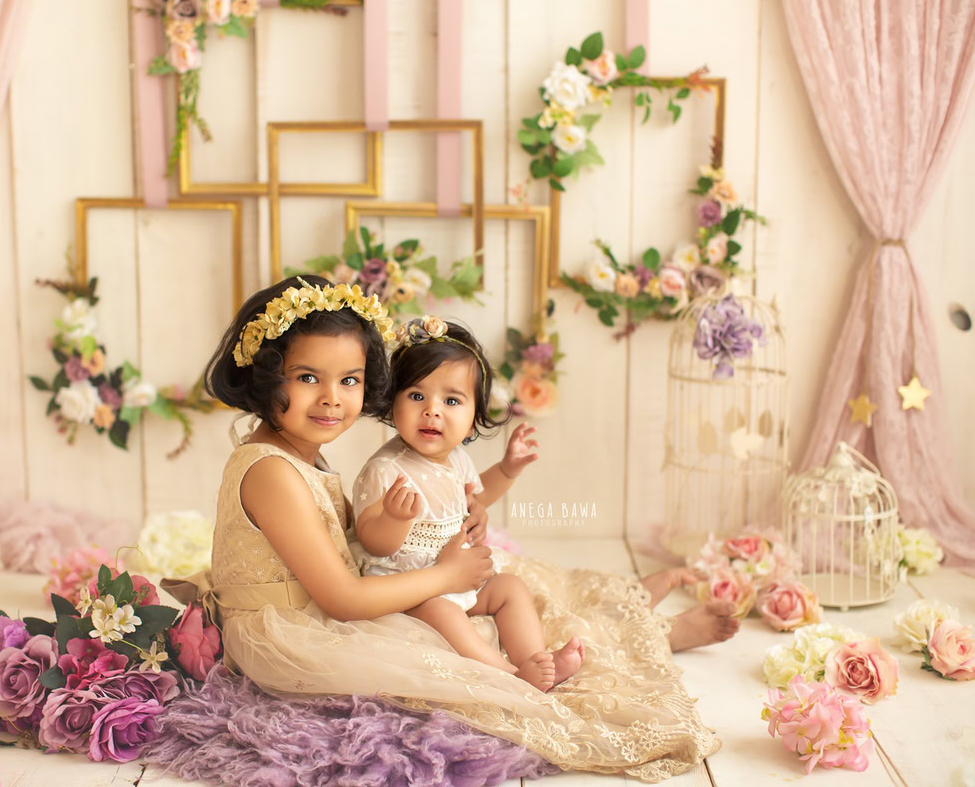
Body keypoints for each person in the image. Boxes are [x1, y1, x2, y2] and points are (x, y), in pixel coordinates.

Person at [187, 274, 739, 780]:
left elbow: (350, 542)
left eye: (349, 380)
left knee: (523, 586)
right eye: (308, 377)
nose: (332, 397)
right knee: (451, 639)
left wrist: (457, 527)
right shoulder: (272, 472)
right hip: (301, 629)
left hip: (342, 596)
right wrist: (445, 575)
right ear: (264, 377)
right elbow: (344, 598)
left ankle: (642, 619)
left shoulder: (300, 455)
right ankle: (549, 665)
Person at [351, 315, 583, 691]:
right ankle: (509, 676)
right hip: (407, 591)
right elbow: (372, 541)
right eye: (416, 396)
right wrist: (393, 519)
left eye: (451, 400)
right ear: (392, 405)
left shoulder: (457, 459)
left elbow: (476, 499)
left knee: (510, 588)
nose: (432, 410)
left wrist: (507, 469)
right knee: (443, 613)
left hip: (457, 579)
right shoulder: (386, 470)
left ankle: (535, 659)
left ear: (473, 419)